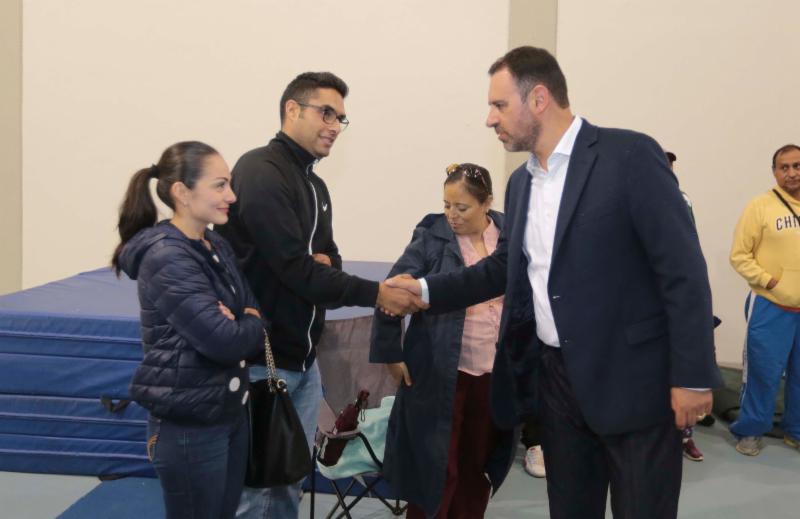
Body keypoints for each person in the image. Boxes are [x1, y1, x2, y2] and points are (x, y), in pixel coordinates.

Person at [386, 46, 722, 519]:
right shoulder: (522, 184)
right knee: (569, 508)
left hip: (633, 380)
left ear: (539, 99)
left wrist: (692, 375)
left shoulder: (628, 156)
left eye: (499, 105)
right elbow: (501, 270)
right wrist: (423, 291)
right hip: (558, 382)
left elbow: (683, 272)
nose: (490, 119)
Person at [215, 71, 426, 519]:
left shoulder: (315, 186)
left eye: (340, 118)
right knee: (257, 489)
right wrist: (377, 293)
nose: (334, 126)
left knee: (288, 479)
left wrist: (319, 268)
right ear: (292, 109)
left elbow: (328, 262)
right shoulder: (260, 172)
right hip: (262, 359)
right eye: (326, 113)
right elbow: (298, 270)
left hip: (303, 360)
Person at [112, 141, 266, 519]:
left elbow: (253, 311)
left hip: (227, 411)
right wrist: (244, 321)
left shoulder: (213, 243)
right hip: (189, 425)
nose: (231, 196)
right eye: (220, 185)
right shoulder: (166, 255)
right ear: (182, 192)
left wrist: (245, 319)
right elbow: (226, 341)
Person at [371, 163, 505, 518]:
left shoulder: (508, 234)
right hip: (440, 371)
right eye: (446, 205)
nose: (452, 215)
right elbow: (392, 290)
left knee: (477, 465)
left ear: (487, 203)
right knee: (436, 468)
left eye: (462, 207)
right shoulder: (432, 236)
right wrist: (391, 353)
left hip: (493, 373)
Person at [729, 143, 800, 456]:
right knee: (763, 372)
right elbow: (739, 255)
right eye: (784, 167)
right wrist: (771, 281)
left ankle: (795, 432)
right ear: (775, 172)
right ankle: (750, 430)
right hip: (771, 305)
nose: (792, 173)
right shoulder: (760, 206)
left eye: (797, 166)